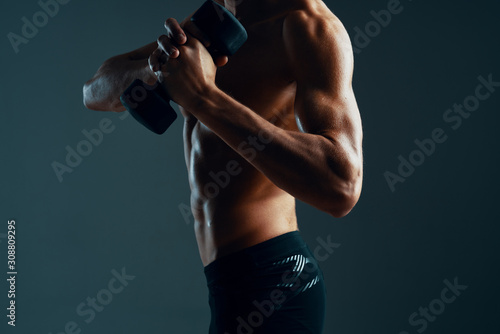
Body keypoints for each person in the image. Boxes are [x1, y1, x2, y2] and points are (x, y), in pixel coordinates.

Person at [83, 0, 363, 332]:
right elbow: (94, 92)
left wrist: (203, 95)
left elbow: (341, 184)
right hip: (225, 284)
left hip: (277, 283)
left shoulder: (306, 24)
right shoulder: (213, 21)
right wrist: (157, 66)